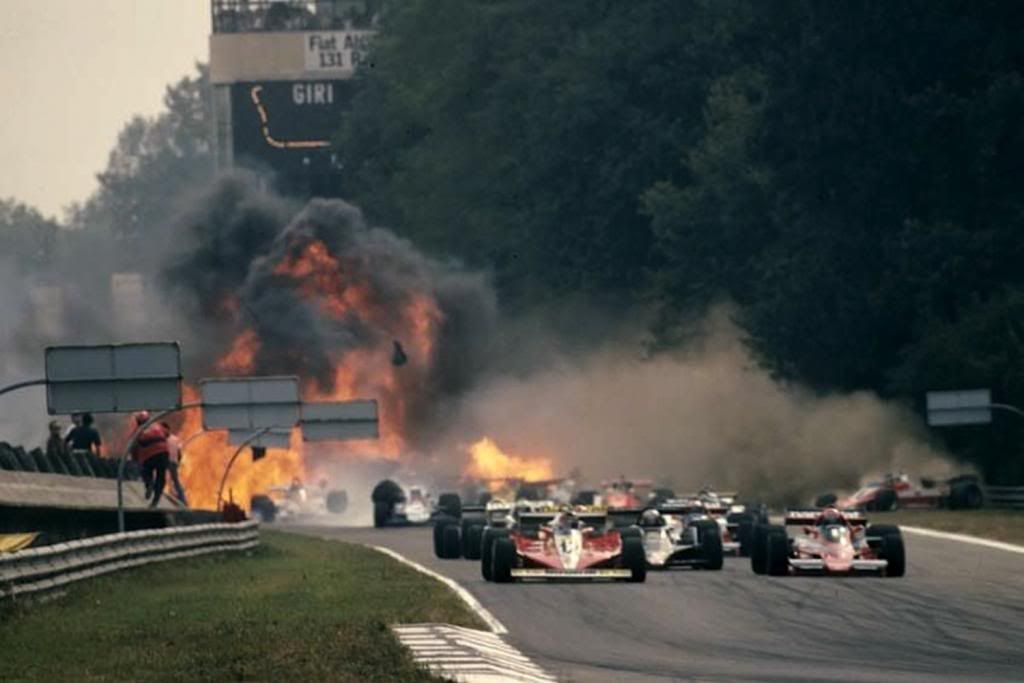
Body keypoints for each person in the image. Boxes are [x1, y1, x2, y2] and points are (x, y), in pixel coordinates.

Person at [130, 412, 170, 508]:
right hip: (163, 453)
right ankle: (156, 498)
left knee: (146, 471)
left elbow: (133, 448)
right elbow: (167, 434)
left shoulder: (137, 432)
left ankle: (149, 485)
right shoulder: (158, 426)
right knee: (161, 476)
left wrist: (135, 460)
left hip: (148, 456)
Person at [161, 422, 188, 507]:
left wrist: (178, 461)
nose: (163, 432)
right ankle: (163, 495)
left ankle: (182, 499)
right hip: (165, 462)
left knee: (175, 480)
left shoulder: (175, 439)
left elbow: (179, 451)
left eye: (164, 430)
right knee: (162, 478)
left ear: (168, 429)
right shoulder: (162, 439)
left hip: (172, 462)